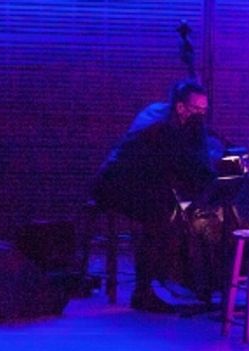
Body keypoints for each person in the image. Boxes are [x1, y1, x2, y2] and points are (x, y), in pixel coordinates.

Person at [93, 79, 219, 313]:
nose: (201, 115)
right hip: (114, 184)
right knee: (161, 217)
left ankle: (166, 279)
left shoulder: (171, 116)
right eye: (197, 109)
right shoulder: (161, 125)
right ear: (181, 107)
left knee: (169, 209)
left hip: (136, 182)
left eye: (204, 109)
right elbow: (178, 164)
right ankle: (144, 291)